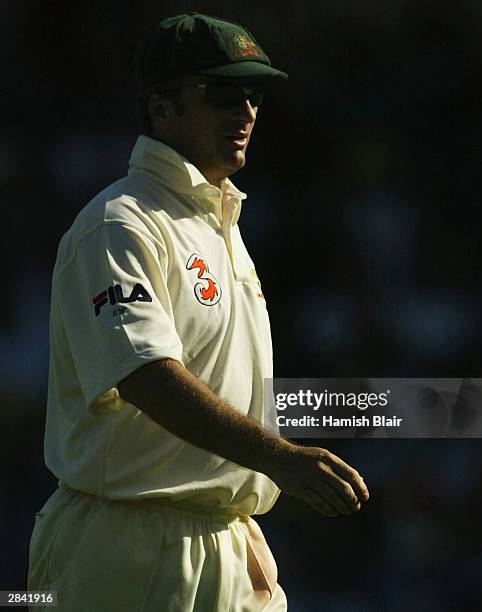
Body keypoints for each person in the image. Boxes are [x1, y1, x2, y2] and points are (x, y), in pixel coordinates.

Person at [27, 13, 369, 611]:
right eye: (223, 93)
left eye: (254, 94)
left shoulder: (222, 224)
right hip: (123, 540)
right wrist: (277, 456)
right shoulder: (120, 222)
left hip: (227, 540)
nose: (246, 112)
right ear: (162, 108)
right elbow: (143, 376)